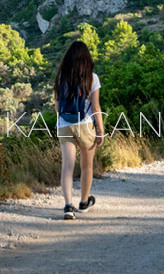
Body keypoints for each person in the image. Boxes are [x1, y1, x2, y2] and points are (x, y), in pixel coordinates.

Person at [54, 40, 105, 219]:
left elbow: (58, 106)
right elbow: (96, 107)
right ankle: (83, 202)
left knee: (67, 166)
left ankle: (68, 206)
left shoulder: (61, 77)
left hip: (65, 124)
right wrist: (100, 130)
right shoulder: (93, 78)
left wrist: (63, 120)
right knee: (86, 166)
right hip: (85, 125)